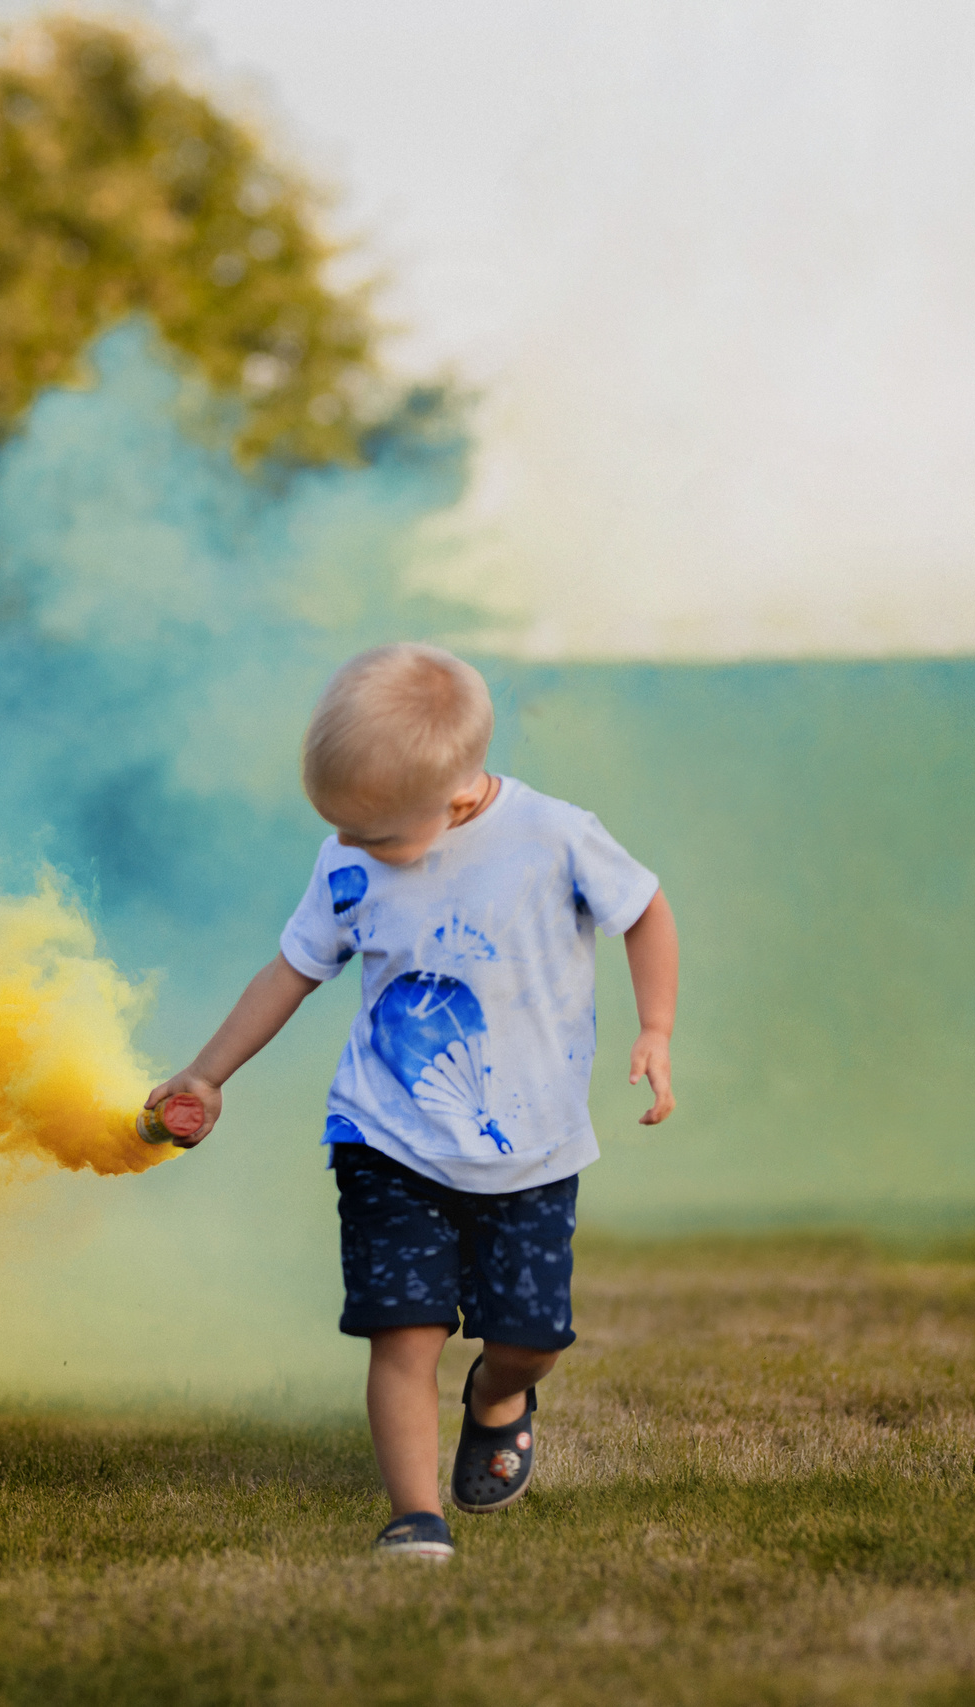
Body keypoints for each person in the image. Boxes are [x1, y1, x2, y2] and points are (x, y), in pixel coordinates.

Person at [142, 643, 678, 1563]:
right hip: (386, 1138)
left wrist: (656, 1026)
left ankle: (501, 1396)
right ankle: (414, 1515)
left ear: (462, 792)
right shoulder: (349, 850)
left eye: (373, 833)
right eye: (340, 827)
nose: (350, 847)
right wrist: (207, 1072)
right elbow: (293, 969)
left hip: (532, 1151)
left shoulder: (554, 835)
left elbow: (645, 909)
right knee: (403, 1331)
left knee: (531, 1336)